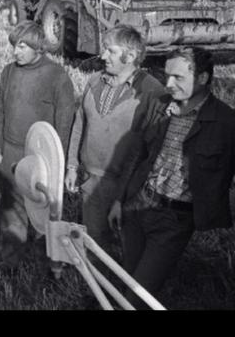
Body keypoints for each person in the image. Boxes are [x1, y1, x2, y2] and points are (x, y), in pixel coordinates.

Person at [108, 47, 235, 306]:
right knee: (128, 279)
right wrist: (120, 200)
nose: (168, 84)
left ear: (202, 78)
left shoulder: (227, 121)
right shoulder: (161, 106)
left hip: (173, 221)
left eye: (178, 77)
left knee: (138, 295)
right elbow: (137, 155)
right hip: (138, 206)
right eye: (167, 76)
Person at [65, 25, 164, 253]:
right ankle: (95, 287)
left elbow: (151, 148)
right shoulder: (94, 81)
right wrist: (72, 165)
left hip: (130, 186)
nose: (102, 56)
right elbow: (80, 122)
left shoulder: (151, 92)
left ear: (130, 56)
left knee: (131, 247)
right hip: (92, 180)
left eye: (110, 51)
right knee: (95, 242)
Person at [0, 21, 75, 266]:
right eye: (15, 46)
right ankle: (11, 258)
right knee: (11, 204)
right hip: (11, 149)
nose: (15, 52)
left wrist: (56, 163)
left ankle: (48, 260)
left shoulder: (57, 76)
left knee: (42, 209)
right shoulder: (8, 71)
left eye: (22, 46)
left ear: (39, 48)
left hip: (40, 157)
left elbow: (64, 123)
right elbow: (1, 111)